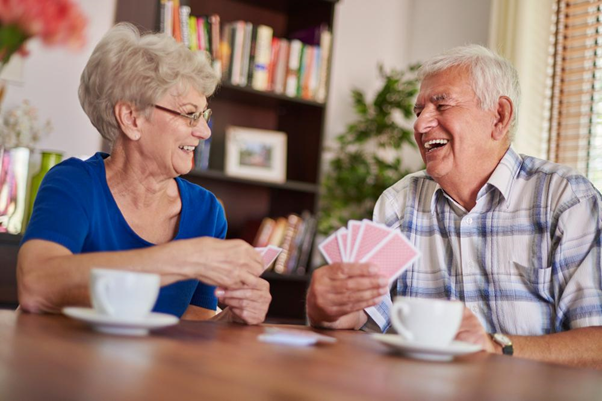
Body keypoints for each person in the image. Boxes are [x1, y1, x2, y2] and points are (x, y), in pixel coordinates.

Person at [307, 45, 602, 368]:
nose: (420, 126)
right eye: (418, 111)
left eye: (441, 105)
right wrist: (328, 306)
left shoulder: (564, 199)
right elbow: (362, 312)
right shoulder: (399, 204)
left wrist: (496, 347)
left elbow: (596, 344)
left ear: (499, 116)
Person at [17, 23, 271, 325]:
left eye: (204, 115)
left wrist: (233, 317)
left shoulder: (207, 211)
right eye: (190, 114)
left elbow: (194, 322)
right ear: (132, 118)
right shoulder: (73, 184)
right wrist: (186, 258)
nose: (203, 131)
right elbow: (36, 285)